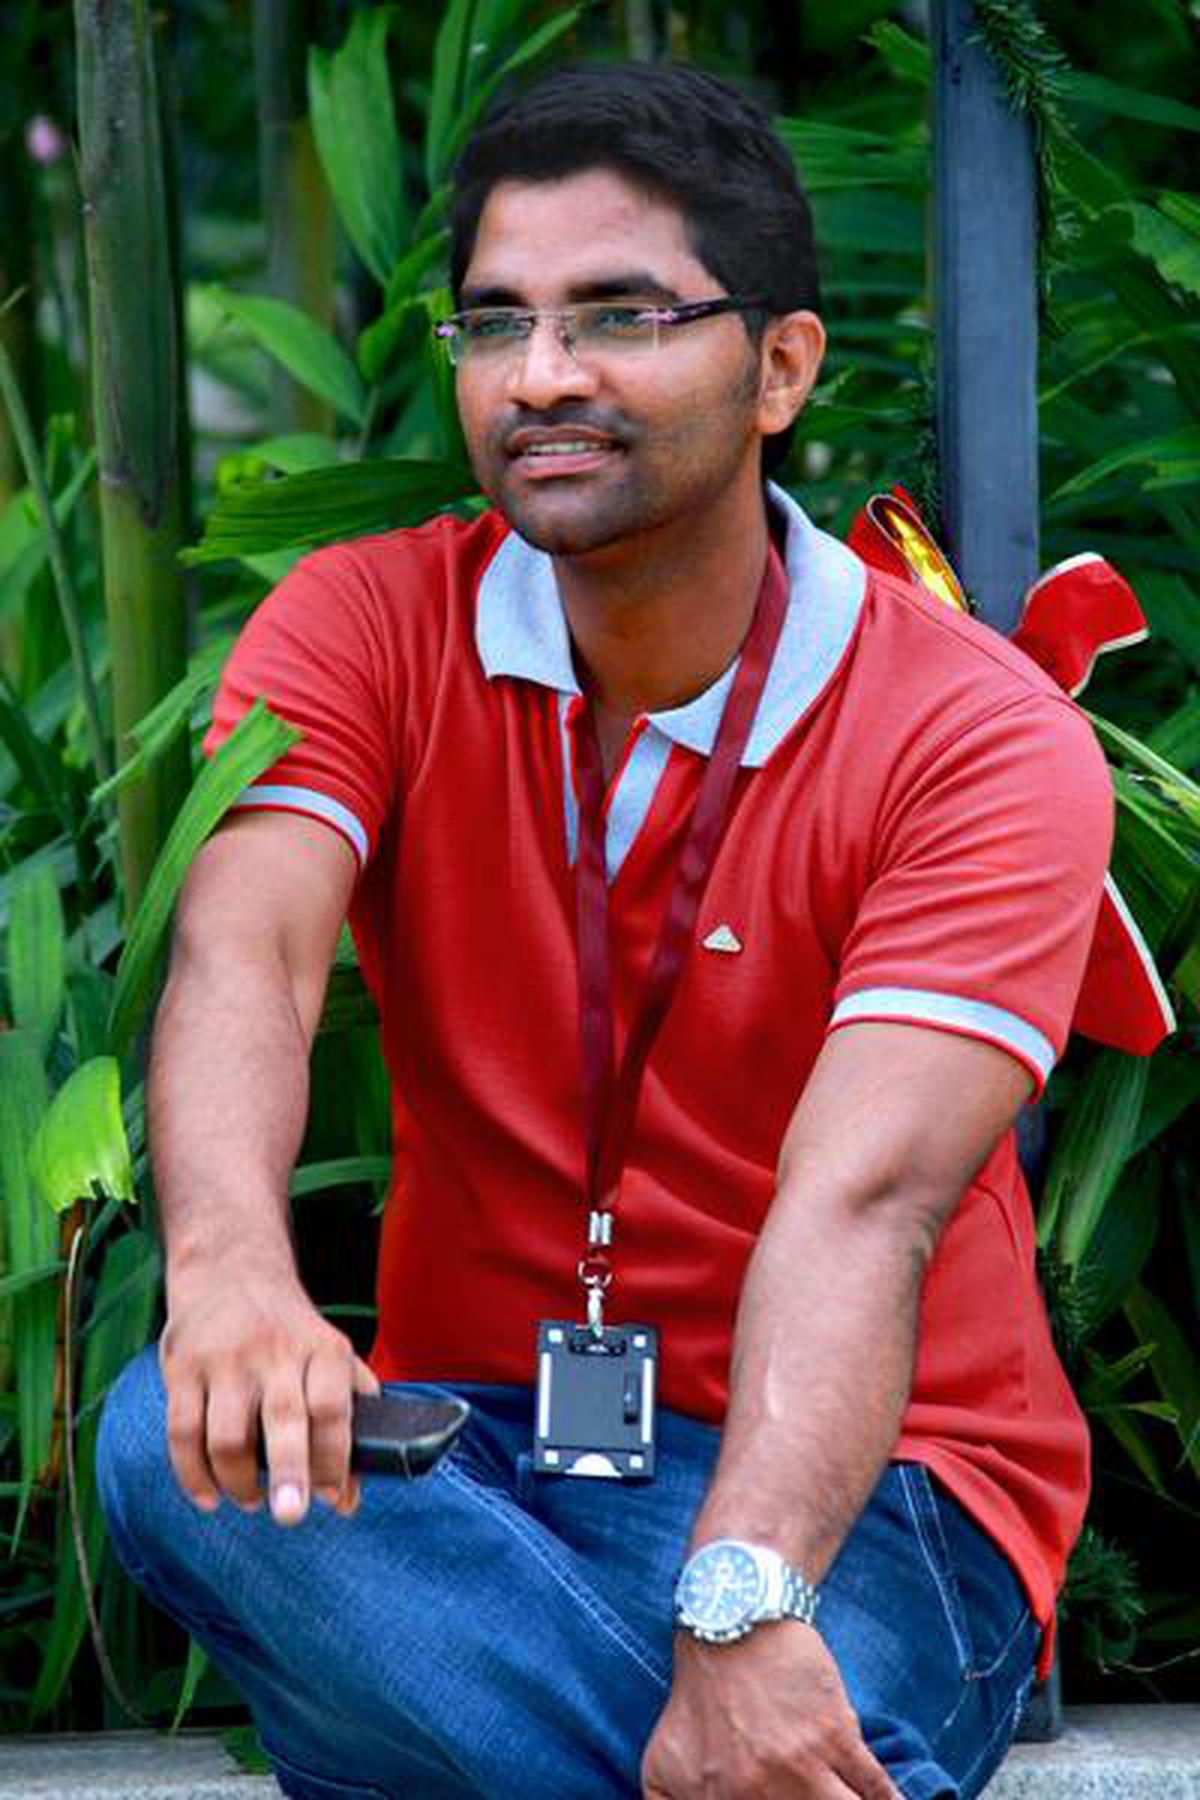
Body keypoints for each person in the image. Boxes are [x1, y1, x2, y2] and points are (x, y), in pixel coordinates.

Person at [98, 61, 1114, 1800]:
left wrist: (742, 1597)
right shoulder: (365, 624)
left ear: (781, 367)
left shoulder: (974, 736)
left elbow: (864, 1201)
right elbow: (245, 956)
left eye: (620, 316)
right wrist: (236, 1276)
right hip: (474, 1453)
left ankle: (454, 1724)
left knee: (744, 1690)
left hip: (879, 1492)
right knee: (166, 1442)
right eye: (497, 323)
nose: (543, 375)